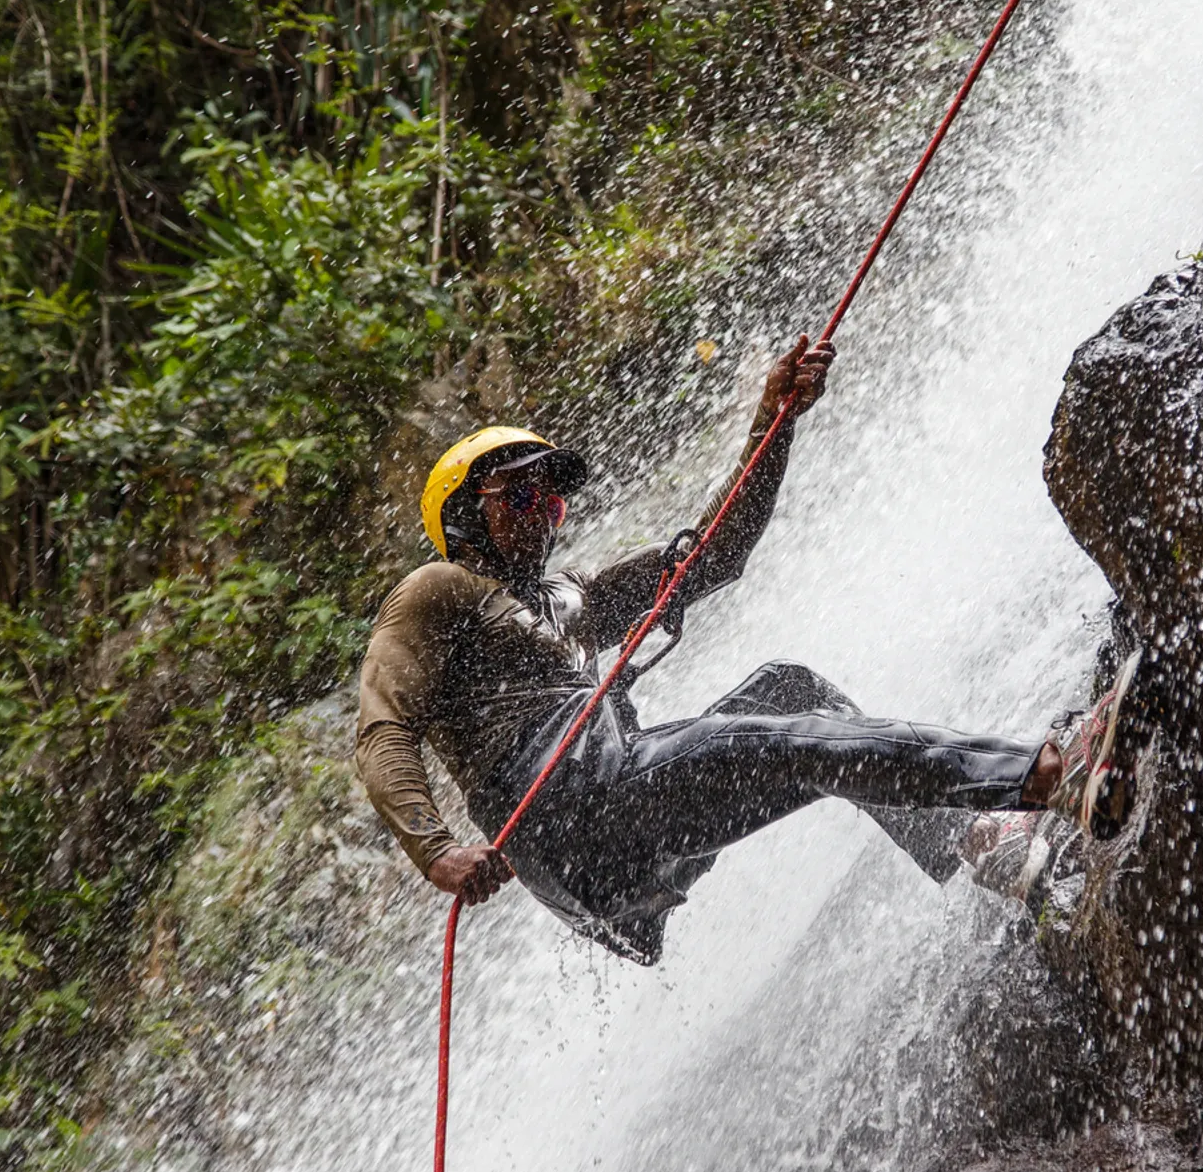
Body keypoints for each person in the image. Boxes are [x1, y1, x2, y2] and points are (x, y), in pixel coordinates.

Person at [354, 335, 1140, 963]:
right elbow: (382, 729)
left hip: (615, 824)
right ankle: (1044, 775)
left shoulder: (571, 596)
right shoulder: (436, 590)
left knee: (787, 692)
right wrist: (436, 851)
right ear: (462, 517)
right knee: (786, 742)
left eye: (551, 497)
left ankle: (982, 844)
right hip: (571, 815)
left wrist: (774, 424)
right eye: (520, 495)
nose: (544, 514)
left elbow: (712, 555)